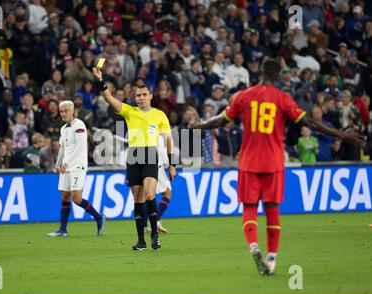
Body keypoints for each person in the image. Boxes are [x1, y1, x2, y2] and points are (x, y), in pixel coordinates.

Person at [191, 59, 366, 275]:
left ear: (261, 73)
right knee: (272, 209)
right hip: (273, 162)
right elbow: (309, 123)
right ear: (277, 76)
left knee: (249, 209)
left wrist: (197, 125)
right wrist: (341, 134)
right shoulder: (283, 98)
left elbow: (220, 120)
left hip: (248, 162)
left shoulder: (243, 96)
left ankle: (254, 246)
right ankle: (272, 258)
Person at [93, 65, 176, 251]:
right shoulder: (130, 111)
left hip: (150, 155)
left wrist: (172, 164)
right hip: (133, 156)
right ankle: (141, 241)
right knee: (137, 199)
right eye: (138, 96)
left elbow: (169, 140)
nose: (140, 98)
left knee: (150, 194)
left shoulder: (159, 115)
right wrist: (100, 79)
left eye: (144, 95)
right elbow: (108, 97)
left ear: (150, 96)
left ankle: (154, 234)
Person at [47, 100, 105, 237]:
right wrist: (57, 165)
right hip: (66, 167)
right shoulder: (63, 128)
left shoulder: (79, 125)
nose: (63, 113)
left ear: (73, 111)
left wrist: (66, 163)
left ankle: (98, 217)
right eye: (61, 111)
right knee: (65, 196)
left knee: (76, 198)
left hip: (77, 166)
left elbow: (79, 147)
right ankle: (62, 229)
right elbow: (63, 148)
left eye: (66, 111)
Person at [143, 134, 173, 234]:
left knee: (148, 196)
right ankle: (156, 221)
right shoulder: (157, 136)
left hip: (146, 165)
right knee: (167, 193)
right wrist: (169, 165)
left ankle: (144, 225)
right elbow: (161, 152)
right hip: (157, 166)